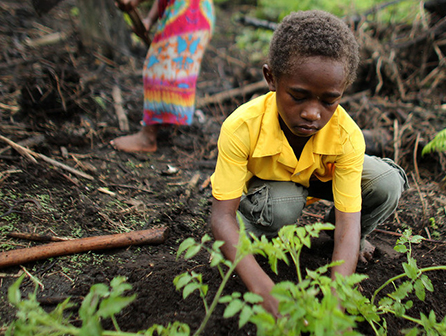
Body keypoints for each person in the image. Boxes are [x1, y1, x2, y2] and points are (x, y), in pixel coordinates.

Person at [209, 10, 408, 317]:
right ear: (271, 78)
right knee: (281, 207)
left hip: (318, 178)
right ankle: (252, 235)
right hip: (268, 191)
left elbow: (348, 221)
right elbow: (221, 217)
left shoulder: (347, 136)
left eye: (329, 101)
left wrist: (335, 302)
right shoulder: (242, 127)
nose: (313, 113)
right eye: (299, 96)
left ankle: (334, 244)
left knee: (386, 182)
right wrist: (263, 289)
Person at [111, 0, 215, 152]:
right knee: (167, 65)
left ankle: (148, 138)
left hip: (189, 12)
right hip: (192, 11)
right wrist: (150, 20)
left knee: (162, 67)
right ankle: (165, 120)